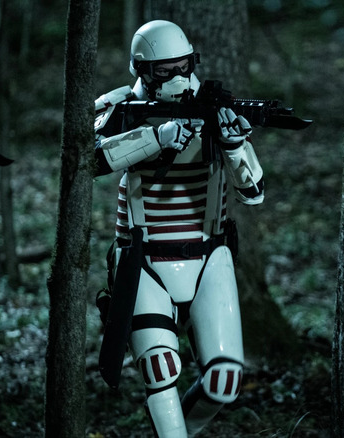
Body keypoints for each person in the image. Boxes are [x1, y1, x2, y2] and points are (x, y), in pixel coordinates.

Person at [93, 20, 263, 437]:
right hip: (143, 259)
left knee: (223, 381)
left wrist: (234, 144)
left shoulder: (216, 106)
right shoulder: (118, 107)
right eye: (164, 70)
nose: (178, 77)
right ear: (141, 71)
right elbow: (91, 159)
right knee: (159, 367)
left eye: (184, 65)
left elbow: (254, 192)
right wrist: (157, 137)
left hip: (208, 257)